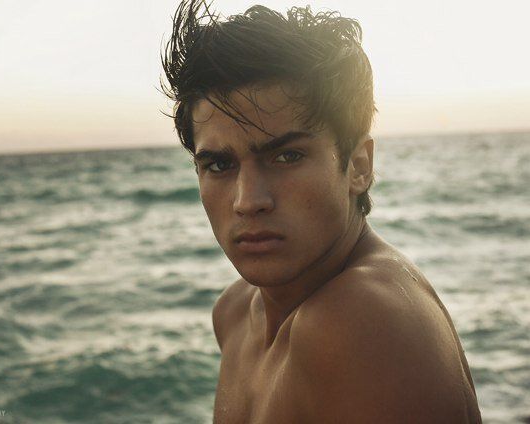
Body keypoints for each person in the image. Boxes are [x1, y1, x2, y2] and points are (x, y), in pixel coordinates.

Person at [161, 1, 482, 422]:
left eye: (286, 156)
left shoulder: (361, 320)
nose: (247, 200)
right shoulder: (236, 312)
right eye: (219, 165)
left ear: (358, 166)